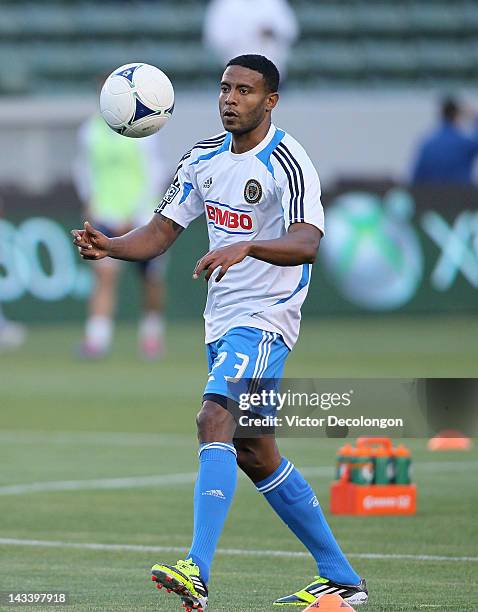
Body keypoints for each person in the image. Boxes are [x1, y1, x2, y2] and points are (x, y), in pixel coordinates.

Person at [72, 55, 367, 610]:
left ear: (270, 101)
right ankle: (342, 576)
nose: (231, 99)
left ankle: (196, 569)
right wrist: (111, 246)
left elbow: (307, 242)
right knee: (256, 453)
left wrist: (249, 245)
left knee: (214, 419)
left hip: (267, 317)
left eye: (245, 91)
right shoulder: (202, 157)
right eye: (225, 89)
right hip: (223, 319)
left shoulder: (288, 161)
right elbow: (161, 232)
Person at [73, 113, 169, 359]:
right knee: (104, 275)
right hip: (105, 215)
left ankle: (151, 335)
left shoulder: (144, 129)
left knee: (150, 279)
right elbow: (84, 169)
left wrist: (135, 212)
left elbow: (154, 172)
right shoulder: (90, 130)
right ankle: (97, 339)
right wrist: (90, 201)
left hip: (143, 218)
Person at [203, 0, 299, 81]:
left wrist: (272, 31)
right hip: (237, 72)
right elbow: (216, 38)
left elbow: (290, 30)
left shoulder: (274, 3)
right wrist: (248, 33)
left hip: (271, 70)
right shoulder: (224, 5)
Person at [411, 97, 478, 184]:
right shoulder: (465, 144)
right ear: (458, 115)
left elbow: (416, 179)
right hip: (461, 194)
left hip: (433, 195)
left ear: (441, 115)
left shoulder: (428, 145)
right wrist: (475, 118)